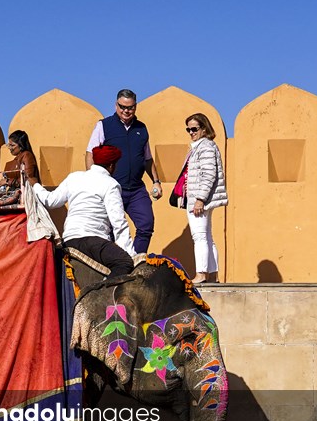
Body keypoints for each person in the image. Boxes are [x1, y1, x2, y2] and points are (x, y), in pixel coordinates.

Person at [29, 144, 136, 277]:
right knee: (124, 262)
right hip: (93, 241)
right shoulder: (110, 184)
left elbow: (50, 201)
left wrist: (35, 185)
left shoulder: (74, 177)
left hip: (69, 239)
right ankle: (102, 295)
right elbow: (118, 222)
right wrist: (131, 255)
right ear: (111, 166)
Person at [86, 89, 162, 254]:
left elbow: (147, 158)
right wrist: (93, 181)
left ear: (135, 107)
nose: (126, 111)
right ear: (116, 105)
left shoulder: (141, 129)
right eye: (122, 107)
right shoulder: (104, 125)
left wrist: (156, 181)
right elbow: (90, 153)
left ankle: (134, 262)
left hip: (136, 190)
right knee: (110, 230)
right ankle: (115, 264)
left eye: (130, 107)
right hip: (112, 188)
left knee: (146, 225)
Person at [172, 113, 227, 284]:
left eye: (194, 128)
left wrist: (200, 199)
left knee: (200, 236)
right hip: (201, 198)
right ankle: (212, 274)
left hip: (200, 198)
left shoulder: (205, 147)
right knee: (207, 236)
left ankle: (202, 274)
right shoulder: (201, 146)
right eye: (188, 129)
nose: (191, 132)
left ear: (204, 129)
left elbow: (209, 174)